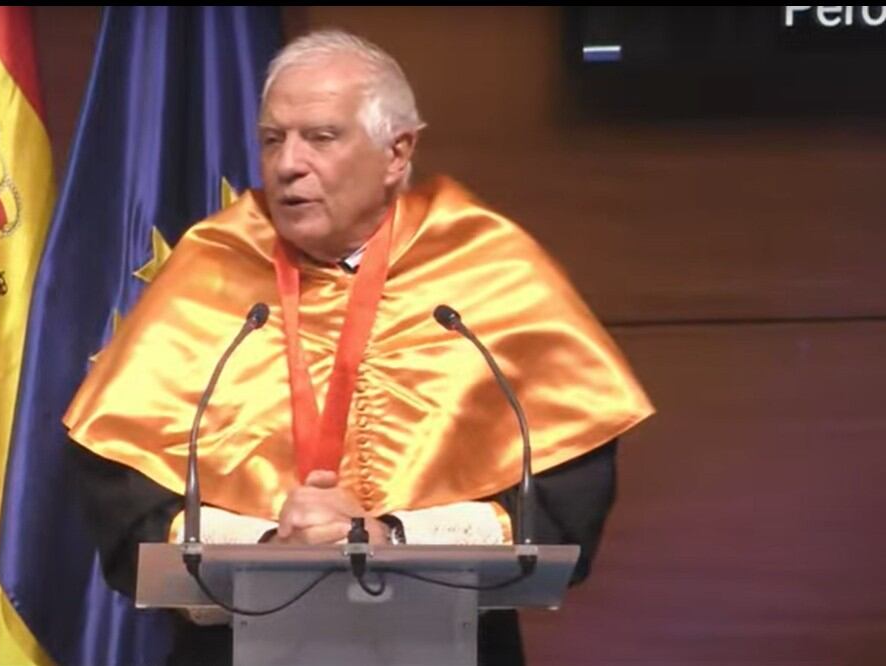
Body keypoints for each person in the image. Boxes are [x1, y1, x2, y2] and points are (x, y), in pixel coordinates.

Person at [64, 29, 654, 666]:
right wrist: (270, 548)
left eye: (320, 137)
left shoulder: (489, 270)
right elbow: (125, 502)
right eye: (272, 138)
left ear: (397, 153)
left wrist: (391, 541)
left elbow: (567, 503)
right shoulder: (207, 270)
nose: (289, 163)